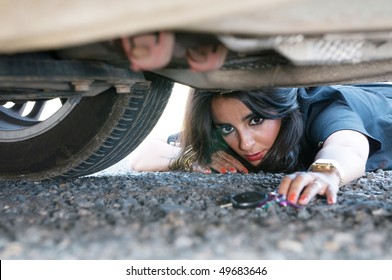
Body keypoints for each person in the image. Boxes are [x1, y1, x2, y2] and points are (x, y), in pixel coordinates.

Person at [129, 84, 392, 206]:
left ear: (283, 110)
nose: (245, 143)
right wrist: (189, 158)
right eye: (227, 128)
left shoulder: (321, 107)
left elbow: (348, 145)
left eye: (256, 120)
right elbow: (144, 154)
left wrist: (324, 173)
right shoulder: (225, 127)